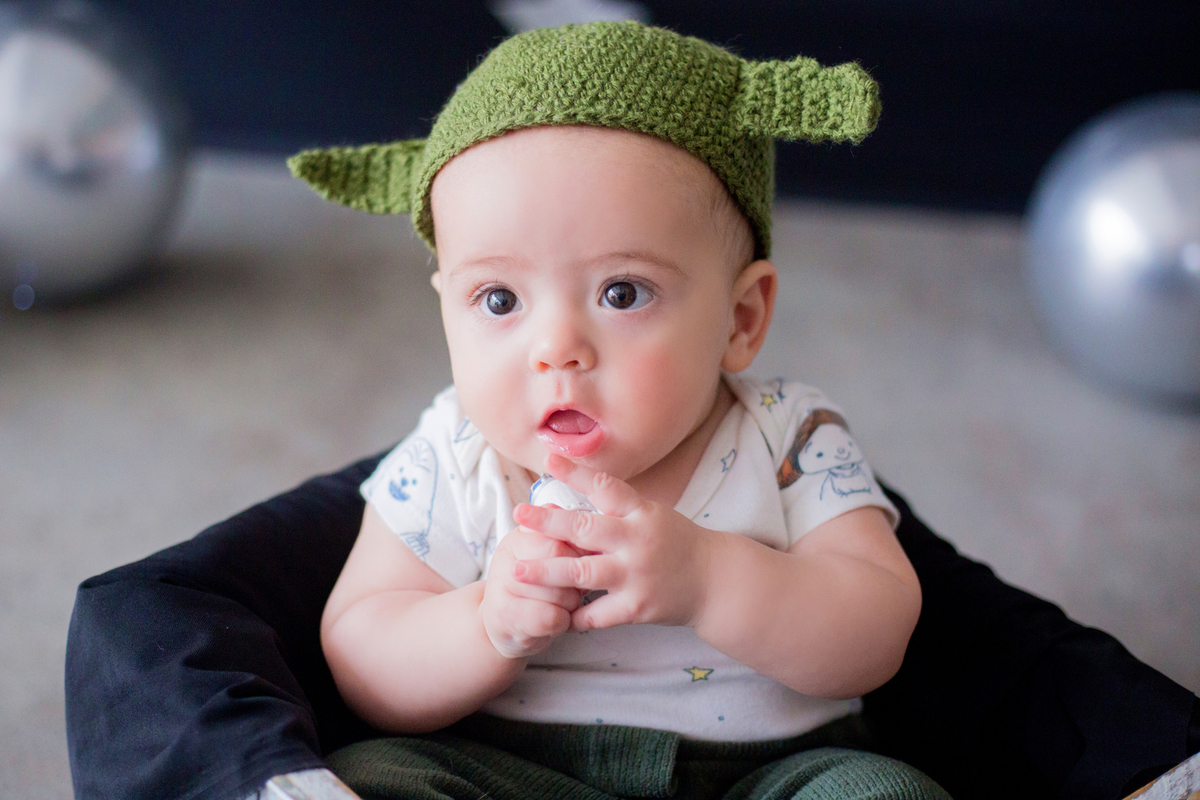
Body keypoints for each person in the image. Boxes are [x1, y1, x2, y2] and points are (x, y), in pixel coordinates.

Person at [286, 20, 946, 799]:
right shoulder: (455, 456)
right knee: (373, 775)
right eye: (499, 299)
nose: (556, 348)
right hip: (514, 773)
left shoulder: (786, 434)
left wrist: (712, 580)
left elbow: (878, 629)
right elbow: (362, 652)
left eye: (622, 293)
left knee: (884, 793)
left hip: (766, 776)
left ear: (741, 319)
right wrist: (484, 624)